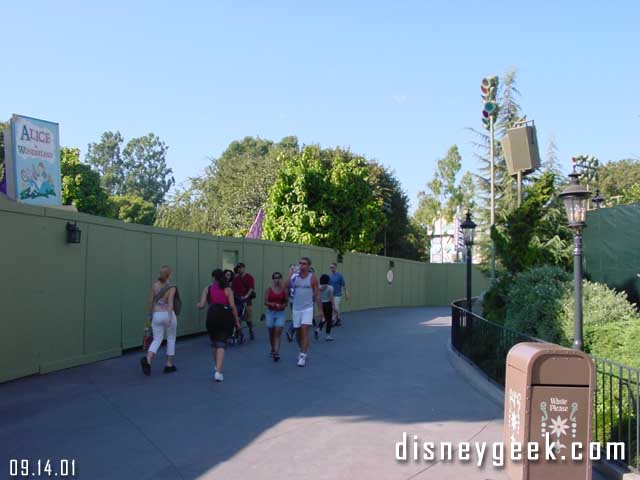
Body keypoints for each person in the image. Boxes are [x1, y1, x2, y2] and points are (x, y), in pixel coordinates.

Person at [197, 269, 241, 382]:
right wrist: (237, 322)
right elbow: (232, 306)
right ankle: (218, 372)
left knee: (214, 343)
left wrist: (199, 304)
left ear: (213, 277)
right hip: (225, 317)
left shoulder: (208, 289)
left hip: (212, 316)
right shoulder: (228, 290)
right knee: (221, 343)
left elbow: (201, 305)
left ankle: (217, 366)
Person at [285, 257, 322, 367]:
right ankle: (302, 349)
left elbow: (317, 295)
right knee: (298, 333)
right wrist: (290, 273)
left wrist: (321, 311)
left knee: (304, 330)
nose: (302, 265)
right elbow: (285, 286)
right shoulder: (294, 277)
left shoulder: (312, 278)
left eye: (304, 264)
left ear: (309, 266)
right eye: (300, 263)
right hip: (296, 308)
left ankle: (302, 355)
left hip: (308, 308)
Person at [141, 265, 178, 376]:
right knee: (171, 339)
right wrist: (170, 317)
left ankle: (148, 359)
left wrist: (149, 316)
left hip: (156, 314)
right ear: (169, 275)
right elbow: (170, 303)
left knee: (157, 339)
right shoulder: (171, 287)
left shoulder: (155, 286)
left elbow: (150, 301)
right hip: (168, 314)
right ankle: (169, 365)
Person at [264, 272, 288, 362]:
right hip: (270, 312)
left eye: (278, 278)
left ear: (281, 279)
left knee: (277, 333)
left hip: (280, 313)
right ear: (273, 279)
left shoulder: (284, 290)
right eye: (275, 278)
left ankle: (276, 353)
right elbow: (265, 301)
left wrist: (282, 306)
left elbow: (286, 302)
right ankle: (273, 349)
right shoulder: (269, 289)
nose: (277, 280)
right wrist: (272, 304)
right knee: (271, 333)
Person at [231, 262, 256, 340]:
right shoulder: (236, 279)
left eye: (241, 267)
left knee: (248, 319)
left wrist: (246, 296)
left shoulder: (249, 277)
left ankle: (251, 329)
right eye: (238, 268)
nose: (240, 269)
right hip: (237, 301)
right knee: (237, 318)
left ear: (244, 268)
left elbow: (251, 288)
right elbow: (232, 290)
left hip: (246, 301)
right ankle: (238, 333)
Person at [315, 274, 336, 341]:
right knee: (329, 320)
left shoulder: (318, 287)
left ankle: (318, 329)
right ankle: (328, 335)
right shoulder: (330, 287)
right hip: (328, 304)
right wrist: (334, 306)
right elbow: (331, 298)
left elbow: (317, 296)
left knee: (323, 318)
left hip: (321, 303)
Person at [329, 262, 348, 326]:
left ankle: (332, 320)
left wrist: (346, 293)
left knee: (335, 307)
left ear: (335, 268)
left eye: (332, 267)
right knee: (333, 307)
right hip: (331, 294)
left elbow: (344, 285)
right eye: (330, 267)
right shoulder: (329, 276)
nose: (331, 269)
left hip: (338, 294)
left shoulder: (339, 276)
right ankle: (338, 319)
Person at [285, 263, 298, 342]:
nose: (293, 270)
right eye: (291, 269)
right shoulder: (293, 277)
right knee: (297, 317)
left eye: (294, 268)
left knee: (296, 316)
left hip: (294, 299)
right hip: (294, 300)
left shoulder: (295, 277)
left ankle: (292, 333)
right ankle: (291, 331)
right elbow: (287, 288)